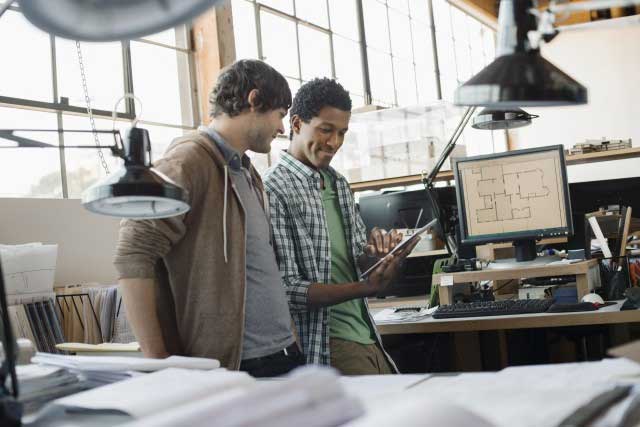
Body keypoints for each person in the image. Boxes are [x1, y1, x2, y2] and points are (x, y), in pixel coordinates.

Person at [114, 59, 304, 377]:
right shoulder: (188, 161)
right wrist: (159, 361)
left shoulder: (246, 171)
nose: (283, 129)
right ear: (254, 100)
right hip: (237, 365)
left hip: (283, 353)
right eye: (281, 114)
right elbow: (132, 253)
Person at [264, 78, 418, 375]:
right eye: (326, 130)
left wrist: (380, 258)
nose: (334, 143)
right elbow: (288, 290)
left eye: (342, 133)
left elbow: (356, 260)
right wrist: (365, 286)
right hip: (328, 345)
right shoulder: (274, 189)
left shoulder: (338, 183)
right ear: (296, 124)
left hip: (368, 334)